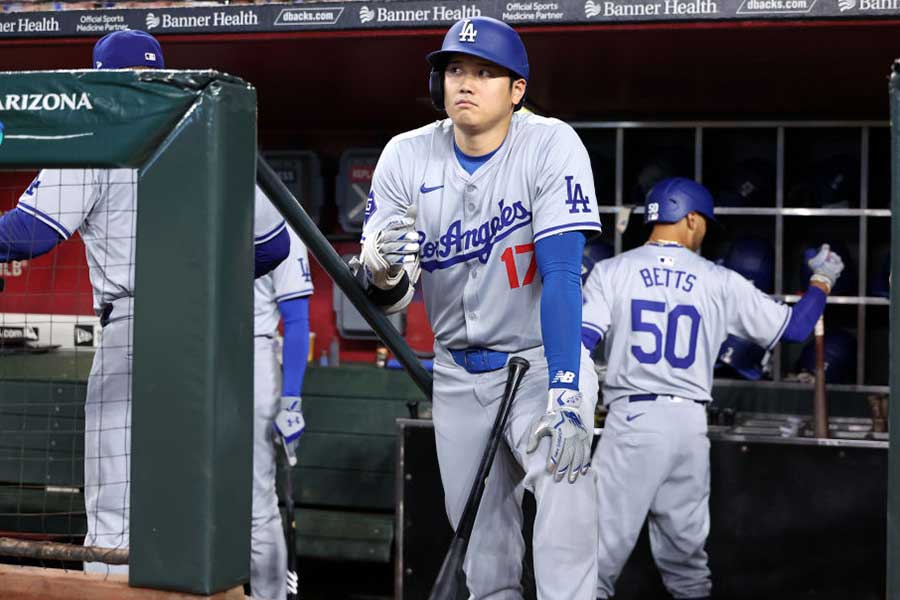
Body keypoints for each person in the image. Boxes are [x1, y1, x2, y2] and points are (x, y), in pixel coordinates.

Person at [0, 30, 290, 573]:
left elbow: (27, 234)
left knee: (115, 508)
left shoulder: (94, 134)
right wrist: (204, 282)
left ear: (100, 79)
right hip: (205, 337)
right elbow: (273, 246)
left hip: (135, 329)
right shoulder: (204, 135)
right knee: (189, 499)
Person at [358, 17, 602, 599]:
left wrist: (567, 387)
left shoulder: (550, 143)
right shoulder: (405, 155)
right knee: (482, 547)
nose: (465, 82)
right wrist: (379, 269)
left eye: (485, 72)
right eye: (455, 69)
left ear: (517, 89)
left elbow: (564, 273)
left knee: (565, 504)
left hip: (541, 362)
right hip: (458, 373)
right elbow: (391, 301)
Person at [581, 177, 844, 600]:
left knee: (592, 562)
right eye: (703, 222)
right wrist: (822, 281)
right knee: (687, 563)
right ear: (689, 217)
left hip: (633, 420)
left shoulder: (611, 272)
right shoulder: (718, 279)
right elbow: (795, 329)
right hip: (688, 426)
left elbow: (580, 344)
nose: (704, 230)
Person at [251, 227, 313, 600]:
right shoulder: (198, 205)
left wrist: (291, 399)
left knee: (257, 500)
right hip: (196, 349)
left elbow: (296, 319)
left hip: (253, 353)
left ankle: (268, 596)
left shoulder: (281, 223)